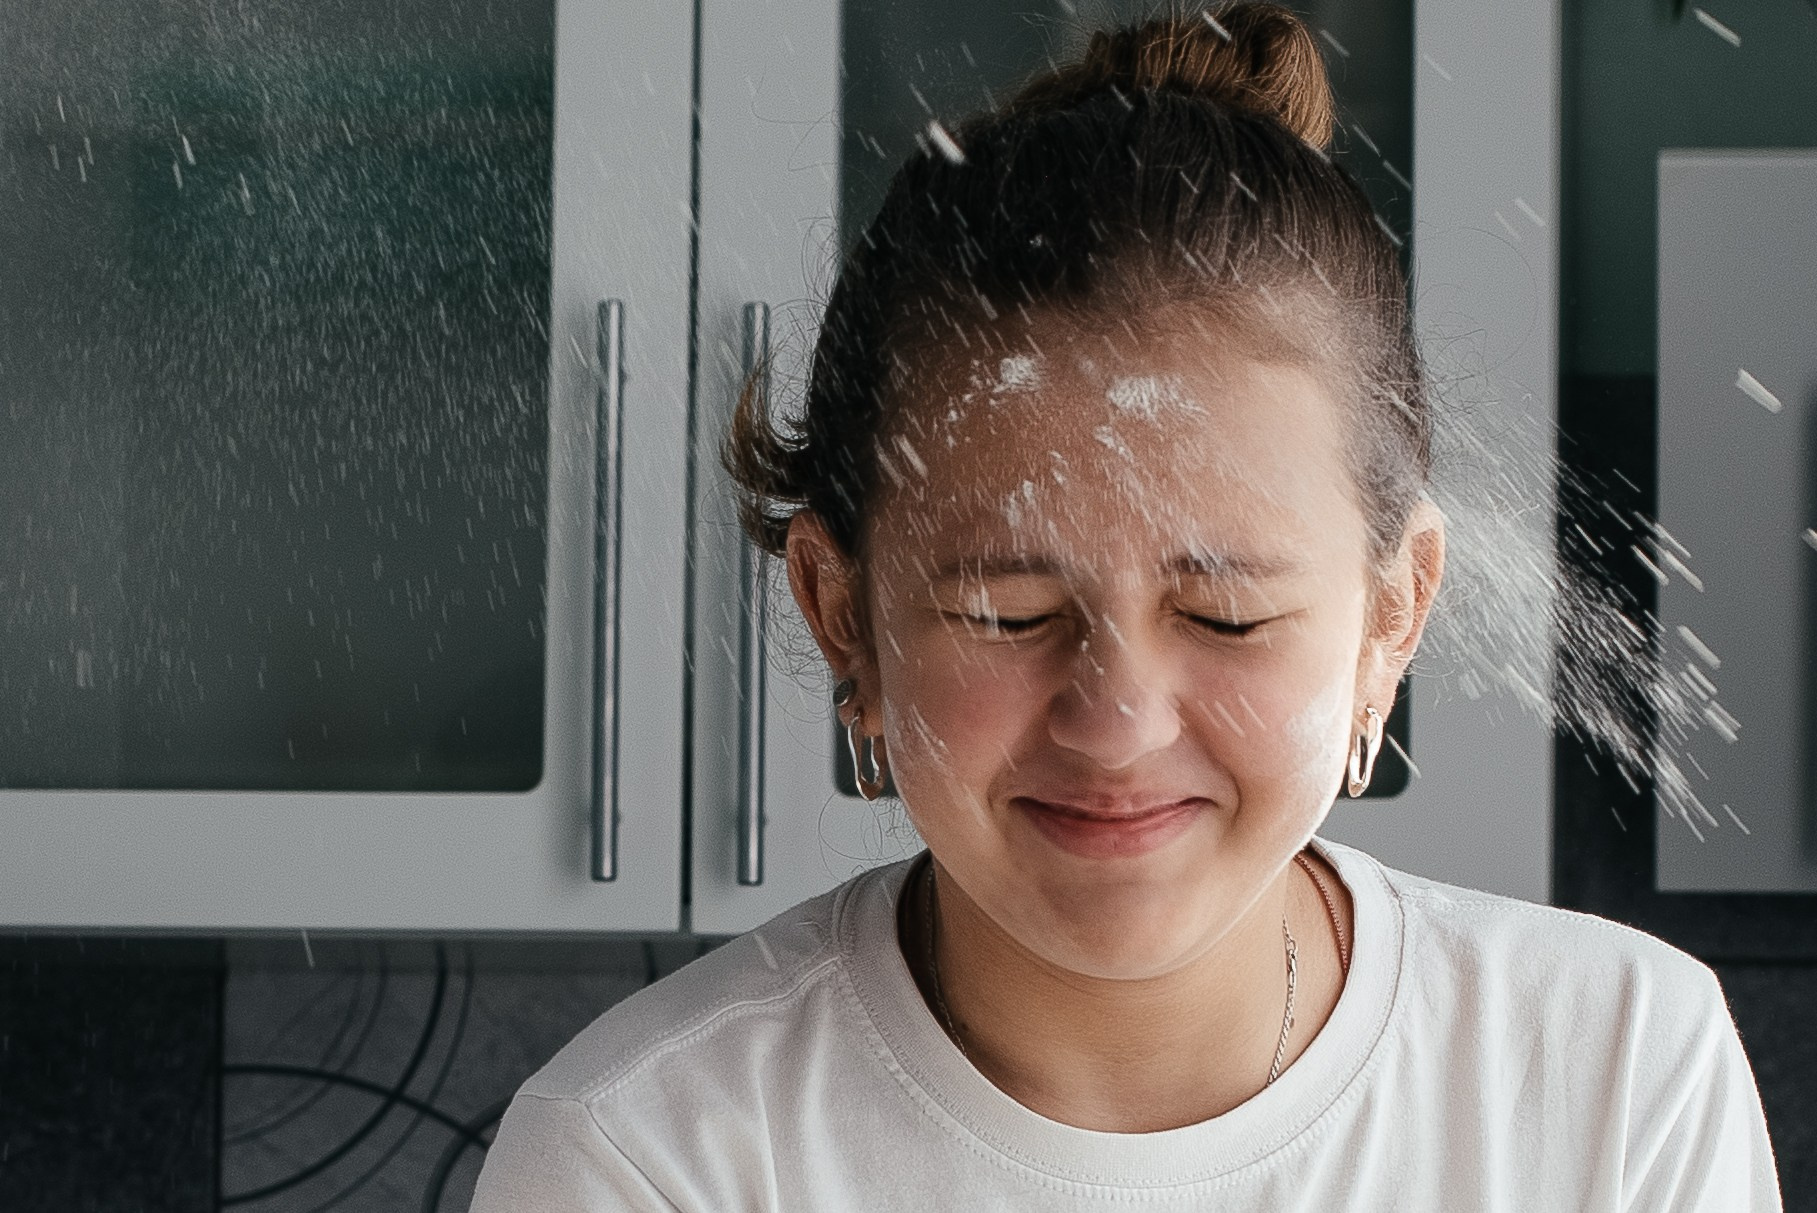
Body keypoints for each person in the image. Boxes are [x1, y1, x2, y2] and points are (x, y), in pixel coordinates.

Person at [470, 5, 1780, 1208]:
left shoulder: (1610, 1074)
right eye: (1006, 609)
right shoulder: (649, 1154)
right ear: (841, 614)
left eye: (1225, 617)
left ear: (1391, 616)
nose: (1113, 719)